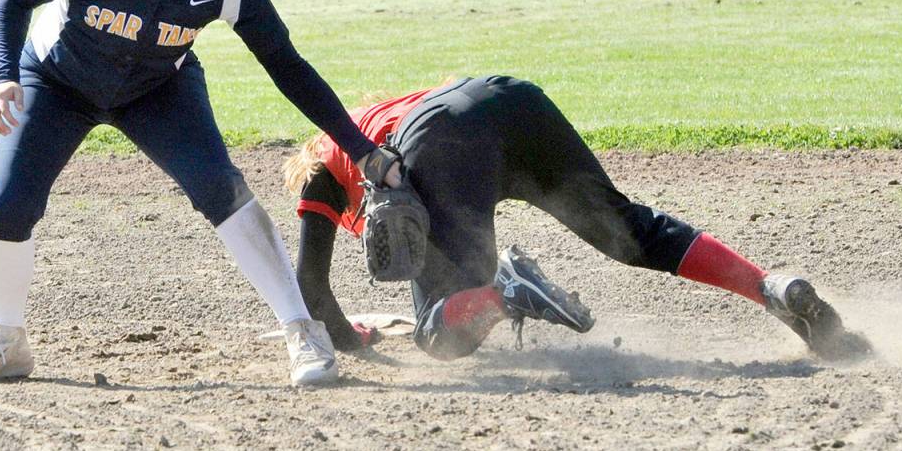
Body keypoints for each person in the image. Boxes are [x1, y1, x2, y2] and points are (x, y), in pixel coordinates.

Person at [0, 0, 400, 387]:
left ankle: (303, 331)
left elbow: (287, 67)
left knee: (222, 190)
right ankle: (6, 341)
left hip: (157, 87)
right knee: (8, 205)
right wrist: (3, 77)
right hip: (58, 82)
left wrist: (361, 148)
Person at [285, 75, 872, 362]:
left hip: (440, 142)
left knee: (438, 333)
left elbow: (311, 285)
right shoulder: (379, 114)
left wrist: (352, 341)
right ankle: (770, 289)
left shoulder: (321, 163)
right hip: (507, 98)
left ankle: (510, 291)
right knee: (630, 230)